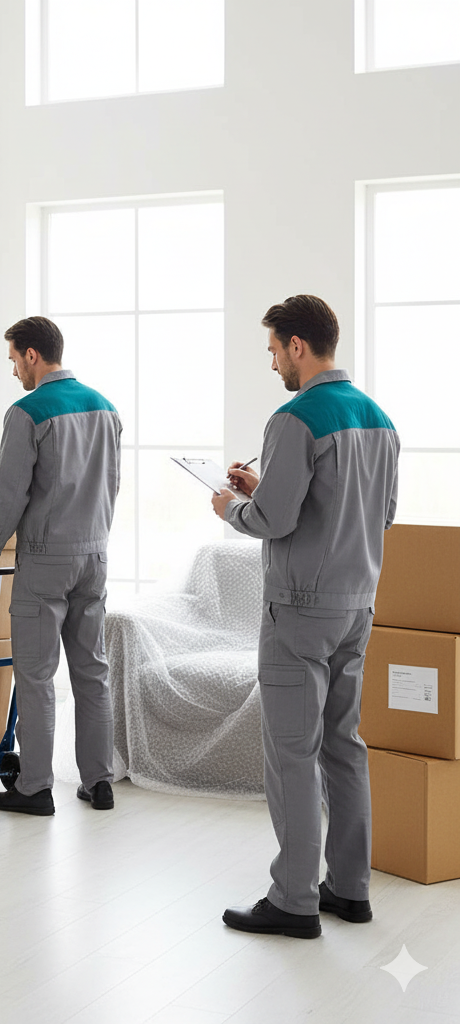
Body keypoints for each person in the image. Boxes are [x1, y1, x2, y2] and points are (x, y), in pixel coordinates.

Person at [213, 295, 398, 938]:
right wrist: (261, 491)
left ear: (297, 345)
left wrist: (231, 508)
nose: (272, 363)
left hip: (298, 610)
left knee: (293, 752)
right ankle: (350, 889)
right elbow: (376, 512)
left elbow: (274, 522)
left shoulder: (294, 417)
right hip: (358, 605)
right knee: (345, 746)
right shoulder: (378, 418)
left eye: (272, 350)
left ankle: (294, 901)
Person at [0, 316, 121, 816]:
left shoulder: (27, 412)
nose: (13, 371)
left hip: (46, 559)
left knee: (35, 676)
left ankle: (35, 788)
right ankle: (99, 783)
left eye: (14, 360)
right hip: (94, 554)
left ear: (32, 355)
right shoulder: (106, 408)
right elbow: (111, 485)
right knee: (92, 673)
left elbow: (10, 494)